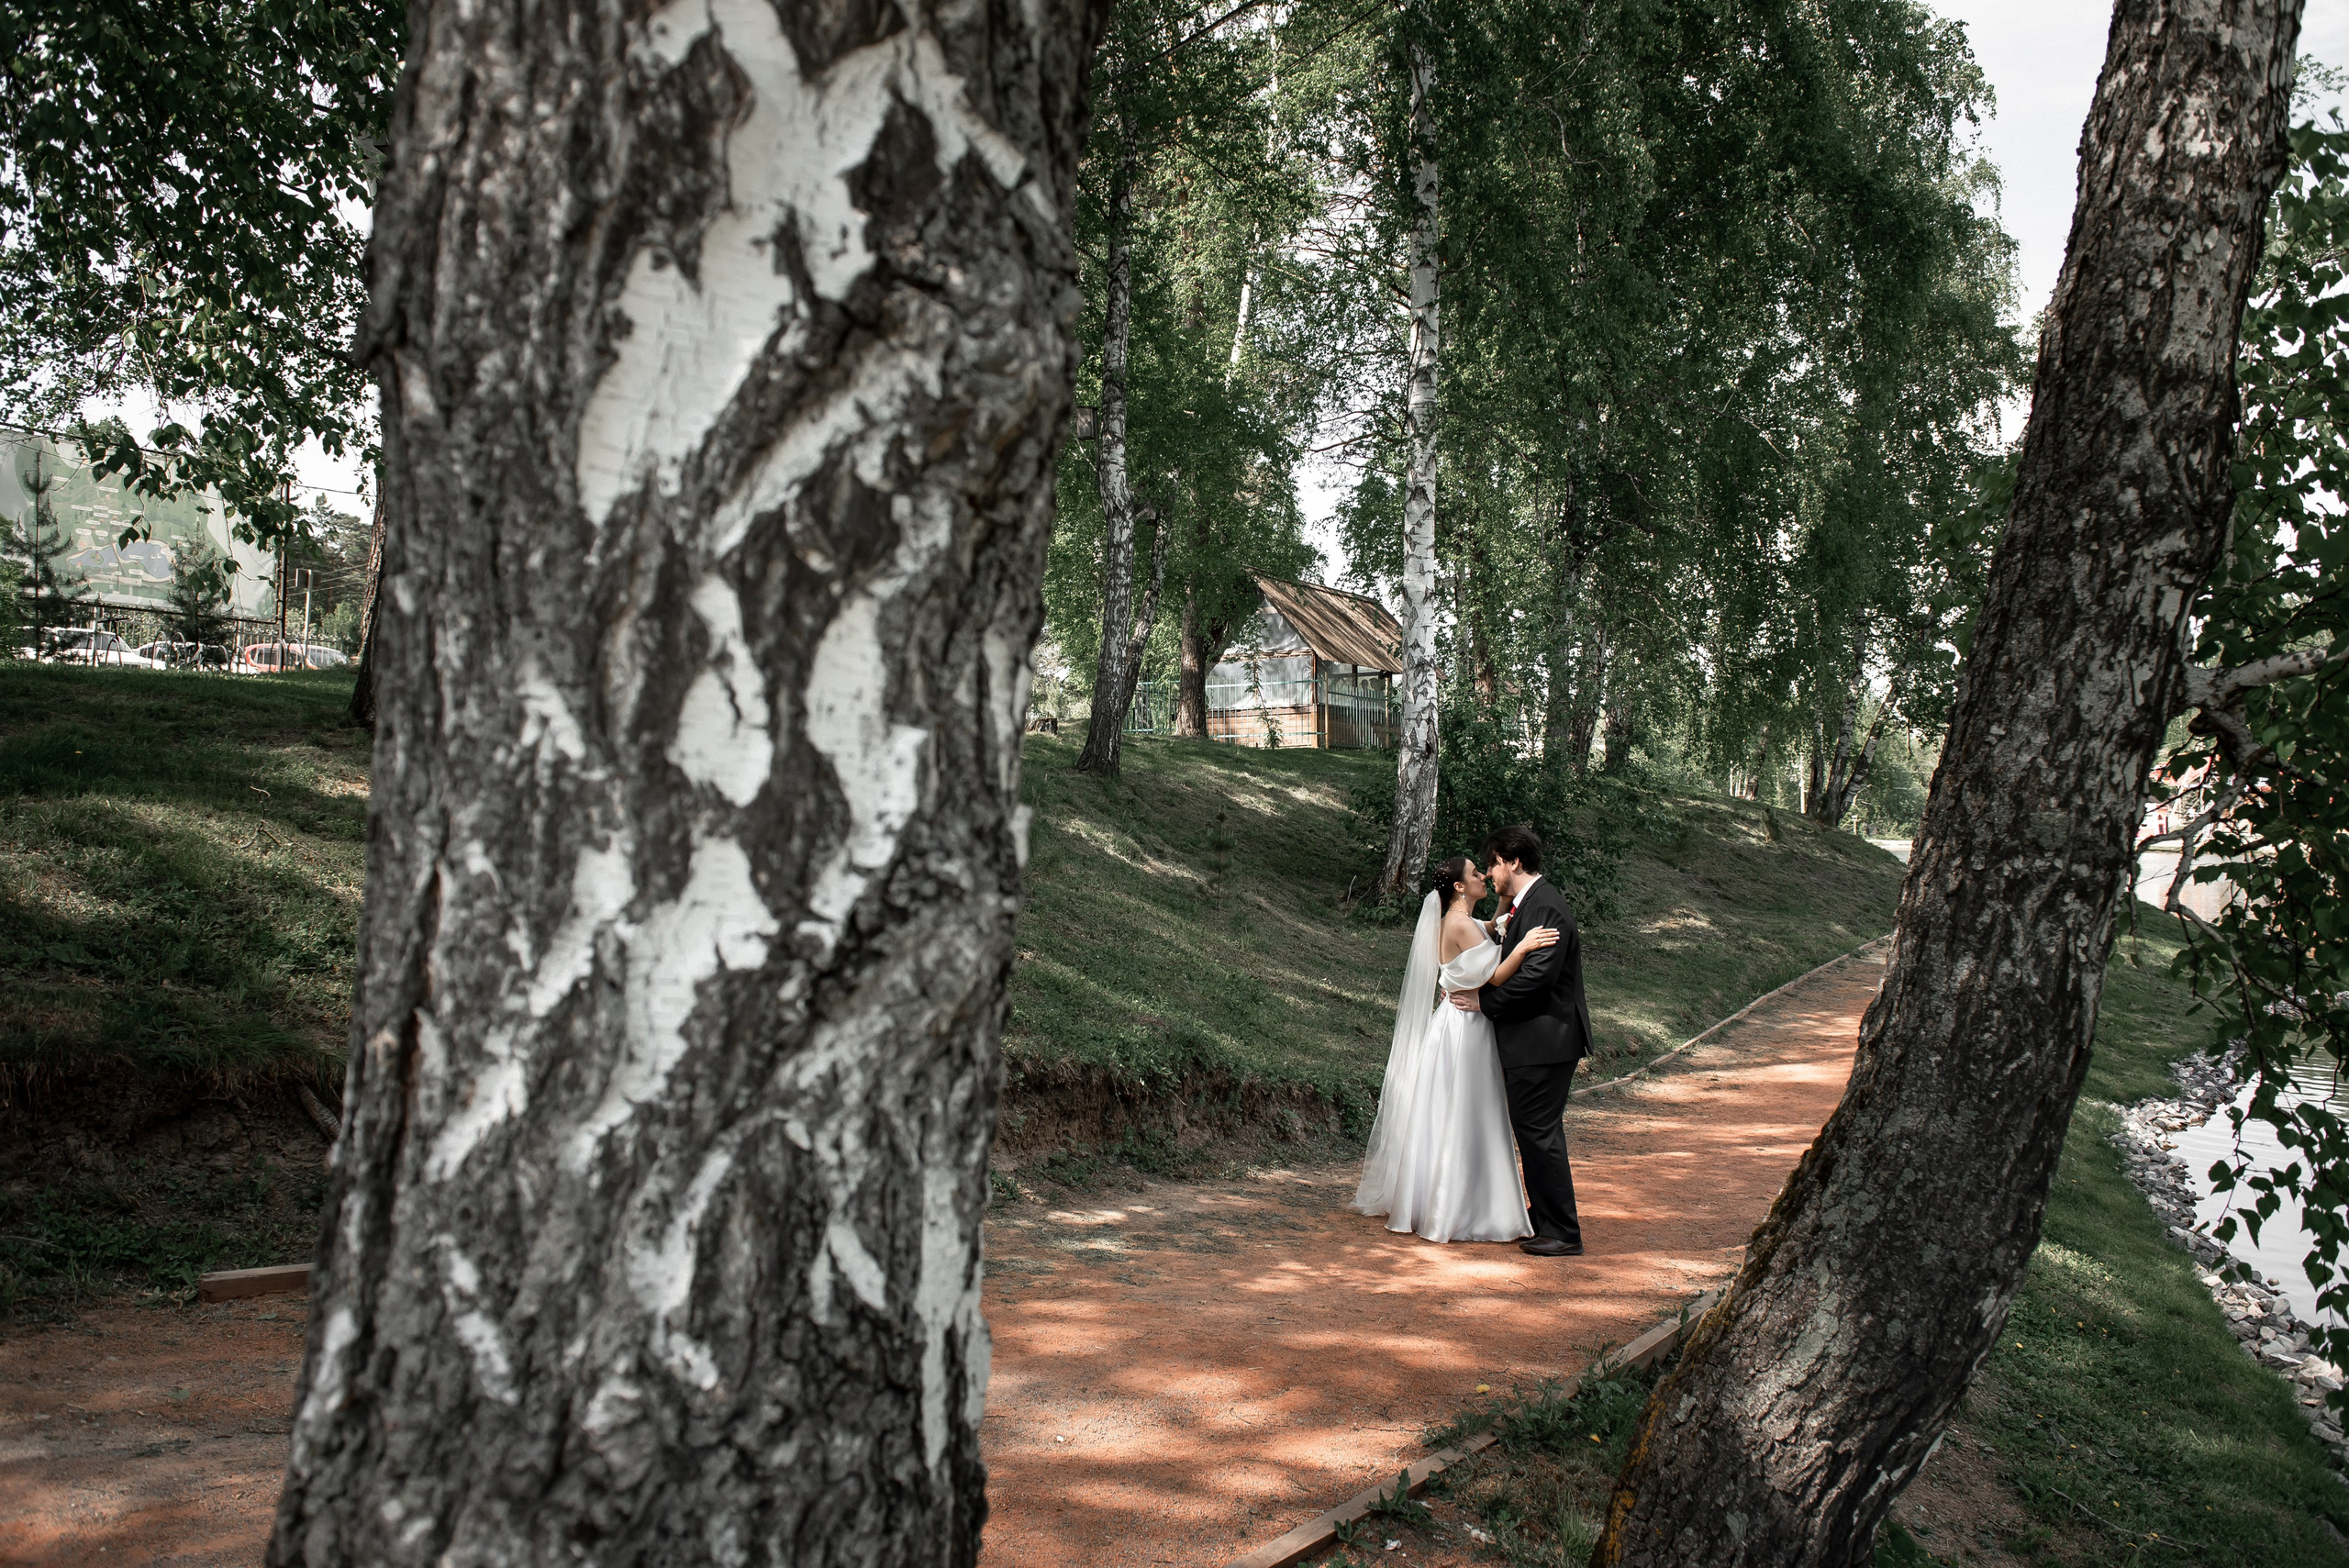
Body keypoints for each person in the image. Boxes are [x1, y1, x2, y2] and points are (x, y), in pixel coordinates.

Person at [1353, 855, 1560, 1243]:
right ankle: (1468, 1207)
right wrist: (1525, 946)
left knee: (1455, 1108)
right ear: (1461, 887)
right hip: (1466, 1026)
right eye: (1476, 873)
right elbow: (1495, 973)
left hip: (1453, 1022)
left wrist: (1503, 908)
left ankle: (1454, 1199)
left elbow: (1491, 930)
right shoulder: (1461, 926)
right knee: (1468, 1107)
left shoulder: (1459, 921)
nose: (1484, 876)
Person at [1444, 823, 1591, 1256]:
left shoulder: (1546, 907)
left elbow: (1536, 980)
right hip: (1535, 1041)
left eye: (1493, 863)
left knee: (1539, 1134)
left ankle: (1563, 1231)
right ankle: (1547, 1220)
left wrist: (1484, 1001)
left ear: (1514, 862)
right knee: (1533, 1132)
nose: (1489, 873)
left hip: (1543, 1040)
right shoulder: (1529, 904)